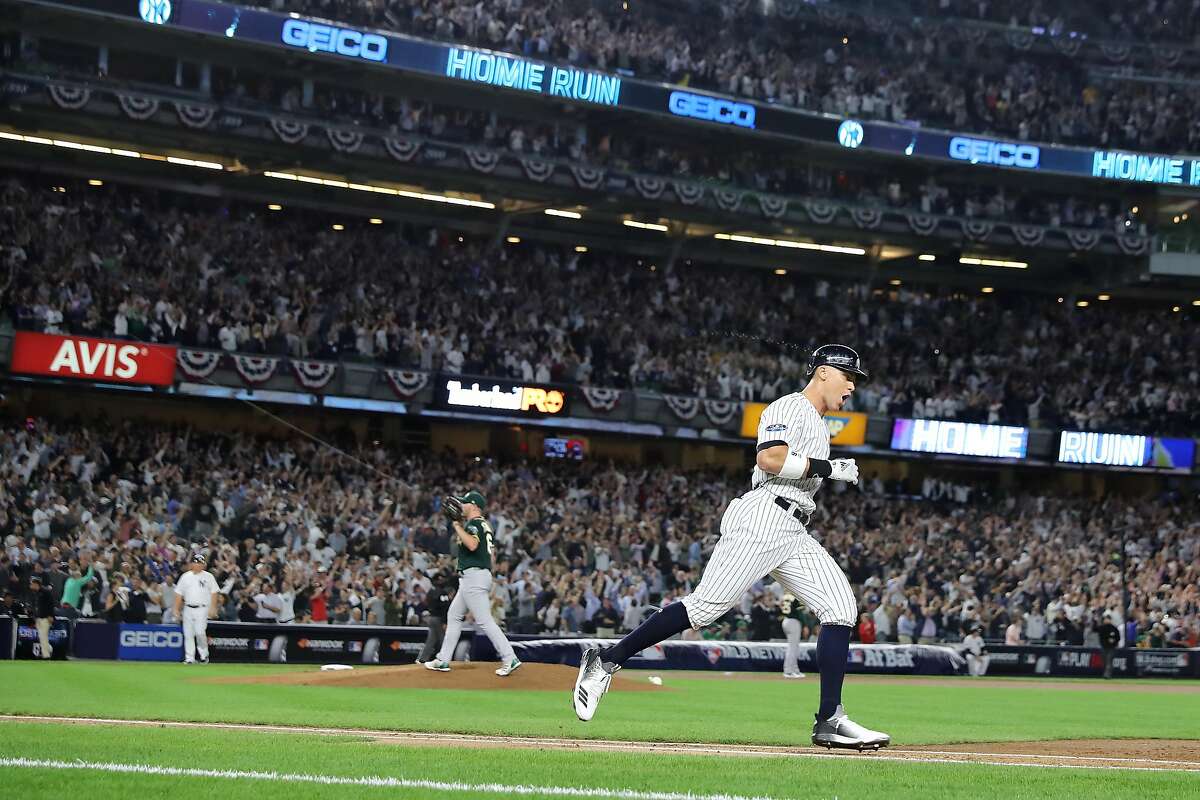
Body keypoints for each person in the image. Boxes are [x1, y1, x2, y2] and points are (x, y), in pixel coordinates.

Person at [572, 344, 889, 750]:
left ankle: (830, 719)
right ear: (824, 372)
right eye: (849, 377)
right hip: (764, 516)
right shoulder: (789, 407)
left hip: (793, 529)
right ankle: (606, 661)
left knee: (842, 609)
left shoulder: (819, 423)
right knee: (705, 608)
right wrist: (830, 468)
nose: (852, 387)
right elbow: (771, 459)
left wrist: (825, 466)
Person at [423, 491, 522, 677]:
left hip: (474, 576)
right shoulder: (483, 525)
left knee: (484, 620)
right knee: (454, 615)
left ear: (474, 506)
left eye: (465, 503)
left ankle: (510, 657)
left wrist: (456, 526)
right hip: (474, 576)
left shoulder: (475, 524)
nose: (461, 506)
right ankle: (443, 659)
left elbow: (472, 545)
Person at [173, 553, 219, 664]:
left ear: (204, 565)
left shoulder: (208, 576)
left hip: (202, 608)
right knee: (188, 633)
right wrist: (176, 609)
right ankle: (189, 658)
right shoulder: (185, 576)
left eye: (201, 563)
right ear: (192, 564)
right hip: (188, 607)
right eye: (196, 563)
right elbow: (179, 594)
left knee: (200, 632)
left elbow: (214, 593)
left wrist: (213, 608)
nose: (198, 565)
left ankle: (204, 655)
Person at [417, 569, 452, 664]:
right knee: (443, 640)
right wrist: (445, 622)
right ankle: (444, 659)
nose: (442, 581)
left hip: (431, 618)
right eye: (440, 579)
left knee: (431, 640)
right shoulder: (442, 592)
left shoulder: (431, 591)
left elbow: (427, 603)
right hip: (438, 619)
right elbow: (445, 607)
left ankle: (422, 659)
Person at [28, 574, 55, 659]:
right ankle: (49, 649)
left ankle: (46, 656)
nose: (31, 585)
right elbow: (36, 607)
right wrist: (35, 617)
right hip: (39, 618)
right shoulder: (34, 593)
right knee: (42, 637)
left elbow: (51, 604)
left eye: (32, 584)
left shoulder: (46, 592)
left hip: (46, 618)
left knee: (43, 636)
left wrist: (51, 615)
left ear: (36, 584)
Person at [779, 592, 805, 679]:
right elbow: (800, 612)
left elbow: (782, 608)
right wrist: (805, 625)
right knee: (793, 647)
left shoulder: (786, 595)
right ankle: (788, 671)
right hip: (793, 621)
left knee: (793, 646)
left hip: (785, 620)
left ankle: (794, 670)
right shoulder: (796, 595)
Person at [1098, 612, 1121, 679]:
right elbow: (1098, 633)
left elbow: (1118, 637)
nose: (1107, 620)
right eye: (1106, 619)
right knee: (1104, 662)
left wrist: (1114, 641)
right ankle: (1105, 674)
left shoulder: (1114, 628)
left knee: (1109, 660)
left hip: (1111, 648)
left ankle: (1107, 675)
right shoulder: (1102, 627)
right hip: (1104, 647)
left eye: (1108, 619)